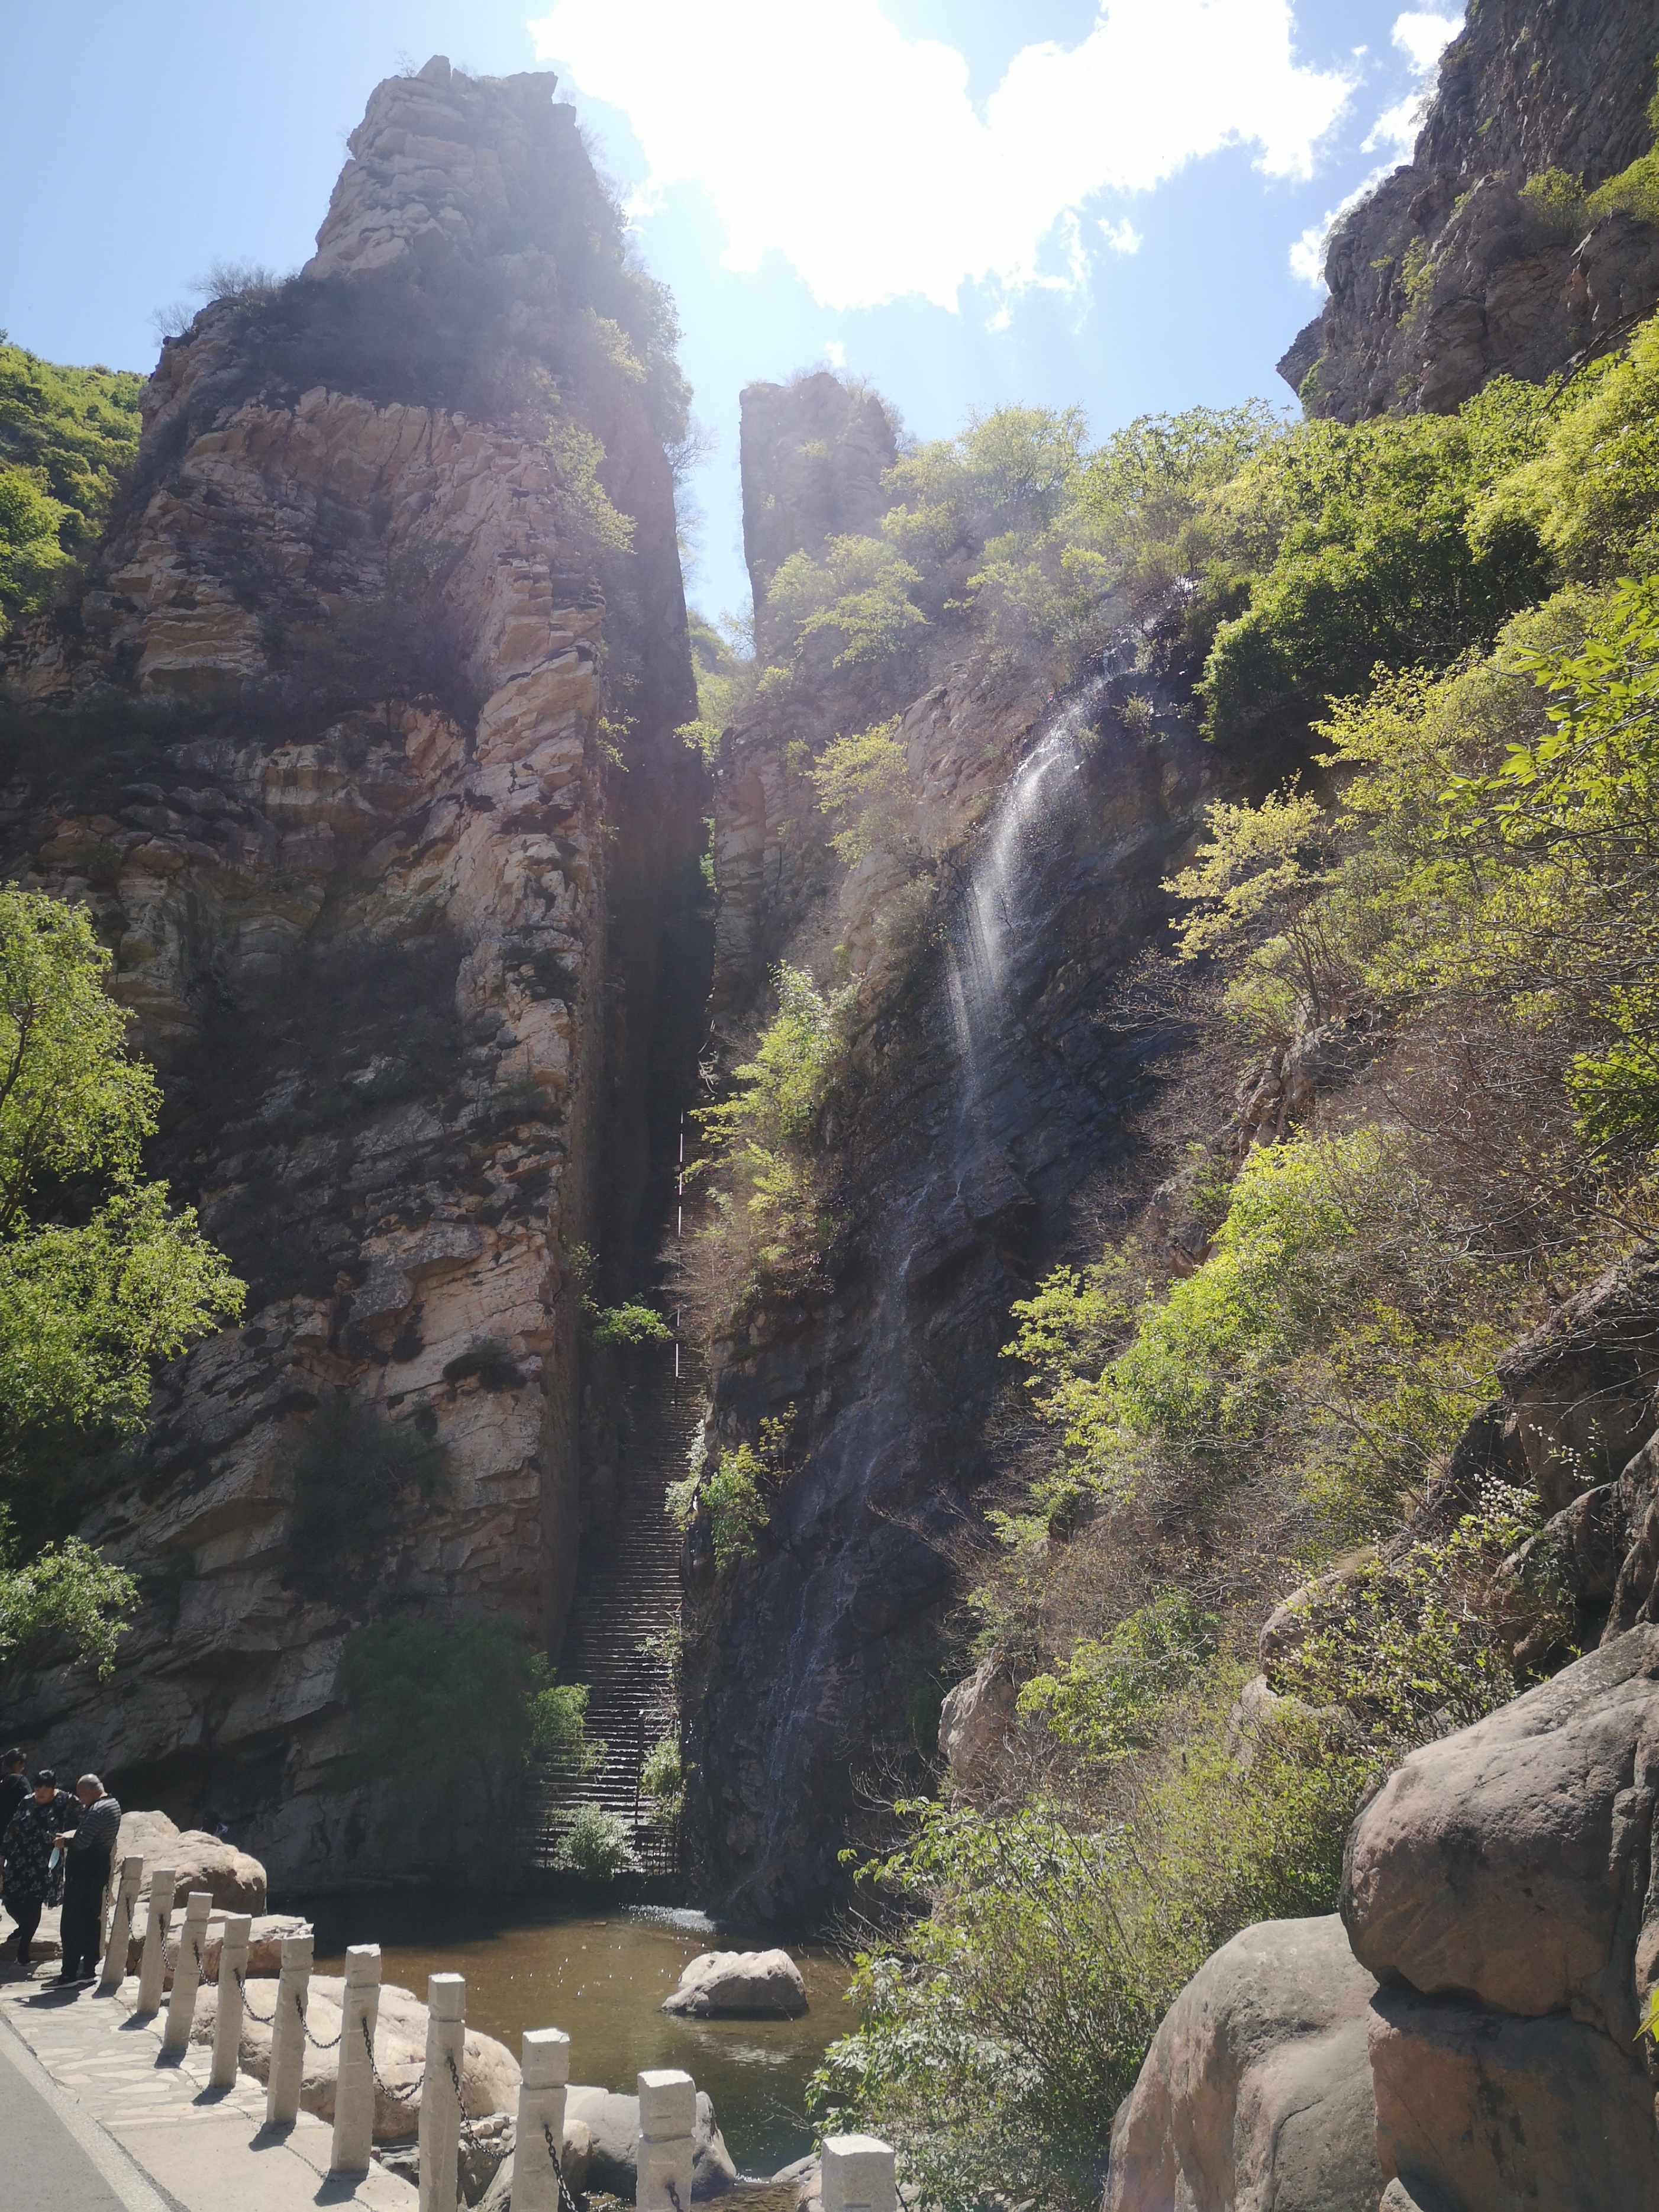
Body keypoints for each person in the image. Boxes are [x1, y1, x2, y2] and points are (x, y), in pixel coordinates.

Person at [1, 1769, 73, 1969]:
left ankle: (24, 1948)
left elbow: (84, 1818)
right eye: (38, 1787)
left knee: (34, 1902)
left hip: (45, 1861)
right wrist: (2, 1854)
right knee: (9, 1897)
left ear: (54, 1787)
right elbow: (13, 1827)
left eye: (46, 1787)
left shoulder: (65, 1801)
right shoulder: (26, 1801)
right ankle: (25, 1929)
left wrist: (69, 1840)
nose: (41, 1791)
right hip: (20, 1859)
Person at [54, 1775, 120, 1985]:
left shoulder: (97, 1811)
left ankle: (69, 1973)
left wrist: (64, 1842)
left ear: (92, 1791)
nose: (81, 1800)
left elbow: (83, 1842)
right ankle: (89, 1969)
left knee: (72, 1923)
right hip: (99, 1869)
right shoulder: (114, 1804)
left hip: (84, 1873)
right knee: (92, 1920)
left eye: (82, 1795)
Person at [0, 1750, 26, 1837]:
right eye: (23, 1764)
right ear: (17, 1763)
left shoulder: (2, 1781)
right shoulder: (20, 1781)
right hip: (15, 1830)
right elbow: (30, 1802)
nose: (23, 1767)